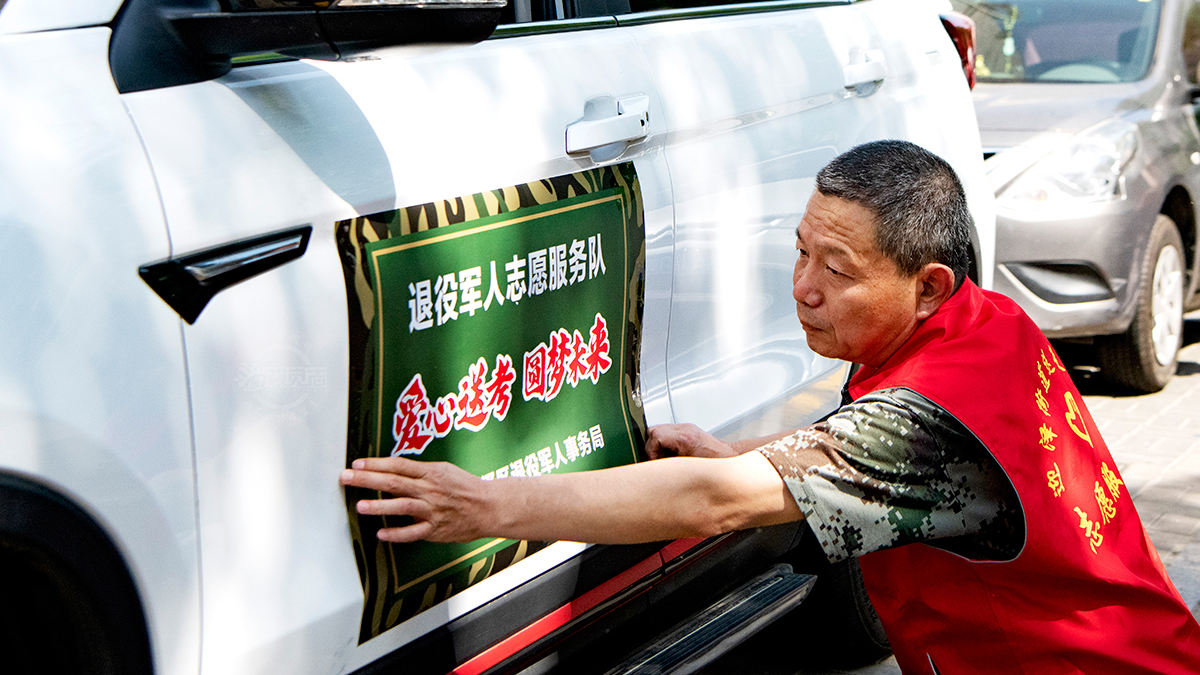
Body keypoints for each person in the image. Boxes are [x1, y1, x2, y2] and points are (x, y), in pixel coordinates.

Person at [340, 140, 1200, 673]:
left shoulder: (928, 413)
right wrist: (743, 450)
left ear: (929, 284)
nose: (802, 289)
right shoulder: (984, 325)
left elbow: (715, 507)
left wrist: (489, 503)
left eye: (838, 270)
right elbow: (879, 447)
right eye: (799, 251)